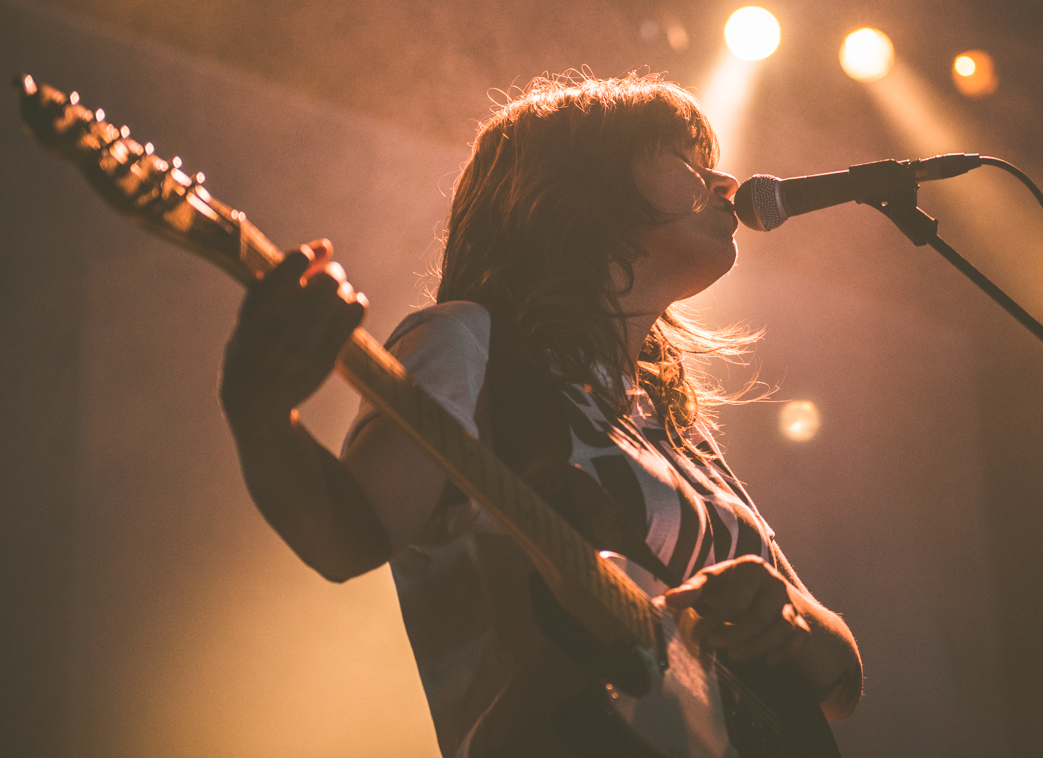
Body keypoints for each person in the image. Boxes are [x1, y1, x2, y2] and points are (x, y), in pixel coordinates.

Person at [219, 72, 862, 757]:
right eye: (685, 161)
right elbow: (346, 533)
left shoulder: (675, 427)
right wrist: (259, 410)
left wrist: (786, 619)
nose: (727, 181)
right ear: (577, 190)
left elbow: (841, 682)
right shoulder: (469, 343)